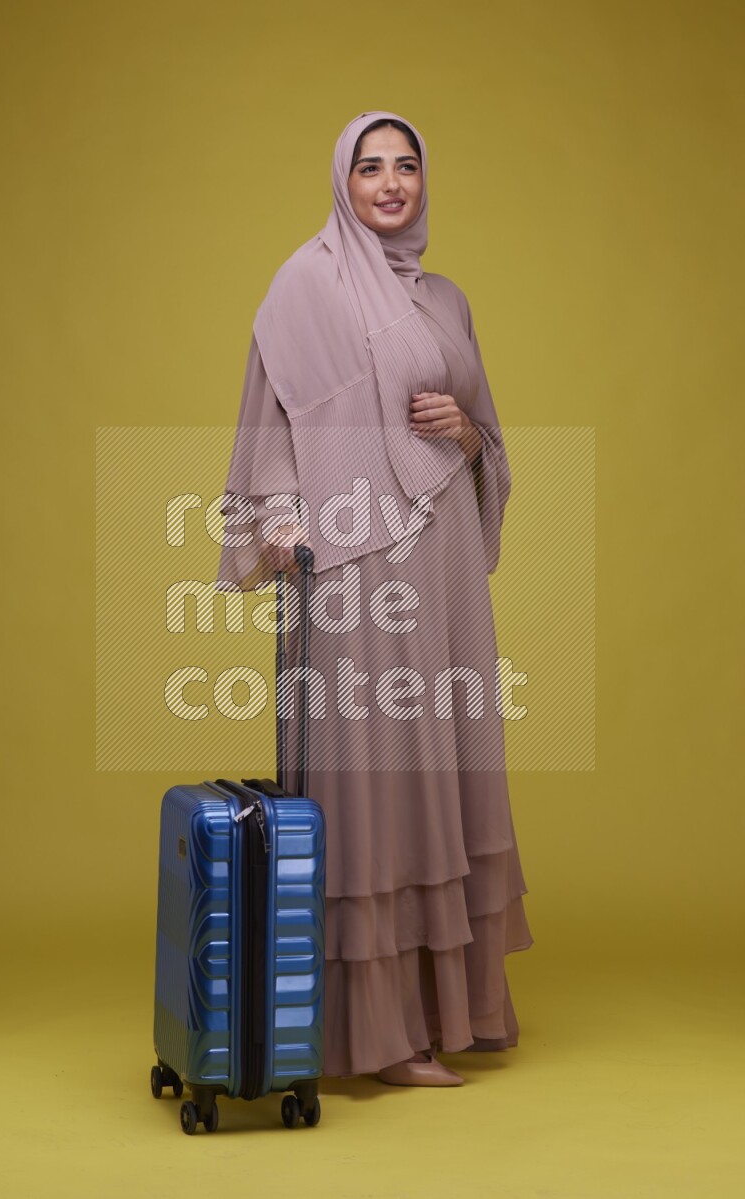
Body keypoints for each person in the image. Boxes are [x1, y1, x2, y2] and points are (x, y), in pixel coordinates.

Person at [216, 110, 533, 1086]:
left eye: (405, 166)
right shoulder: (304, 281)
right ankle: (379, 1031)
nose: (390, 183)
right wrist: (278, 518)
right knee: (369, 775)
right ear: (340, 182)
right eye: (369, 168)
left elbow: (479, 431)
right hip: (350, 561)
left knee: (444, 756)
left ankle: (451, 1010)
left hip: (435, 562)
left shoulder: (446, 298)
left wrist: (469, 435)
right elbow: (270, 415)